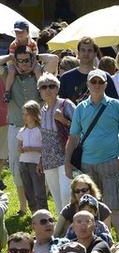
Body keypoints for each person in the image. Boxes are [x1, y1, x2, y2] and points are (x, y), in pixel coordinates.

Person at [65, 68, 119, 239]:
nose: (96, 85)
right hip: (87, 164)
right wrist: (66, 162)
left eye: (100, 82)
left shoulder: (115, 105)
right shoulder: (80, 108)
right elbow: (73, 137)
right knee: (88, 206)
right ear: (88, 84)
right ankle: (96, 239)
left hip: (110, 162)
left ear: (106, 85)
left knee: (114, 205)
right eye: (93, 81)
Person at [0, 45, 57, 215]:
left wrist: (35, 57)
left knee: (44, 165)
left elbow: (54, 60)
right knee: (17, 167)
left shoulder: (40, 73)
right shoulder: (8, 74)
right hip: (16, 127)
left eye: (27, 60)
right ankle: (23, 207)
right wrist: (11, 59)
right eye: (21, 61)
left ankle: (41, 203)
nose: (24, 64)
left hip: (41, 127)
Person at [37, 72, 75, 214]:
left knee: (67, 195)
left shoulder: (66, 105)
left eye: (52, 86)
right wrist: (41, 159)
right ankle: (62, 231)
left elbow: (81, 129)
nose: (48, 89)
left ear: (57, 88)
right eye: (44, 87)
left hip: (66, 158)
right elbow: (44, 139)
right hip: (48, 161)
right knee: (57, 199)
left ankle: (73, 229)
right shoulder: (42, 111)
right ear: (39, 91)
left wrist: (63, 120)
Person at [58, 37, 119, 103]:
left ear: (95, 53)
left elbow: (114, 105)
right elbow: (61, 105)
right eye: (83, 50)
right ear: (78, 53)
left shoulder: (105, 77)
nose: (86, 54)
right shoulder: (65, 78)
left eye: (89, 50)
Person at [17, 100, 47, 211]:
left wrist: (31, 149)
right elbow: (19, 146)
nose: (24, 116)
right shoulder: (22, 130)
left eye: (27, 114)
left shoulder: (40, 130)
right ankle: (34, 214)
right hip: (23, 163)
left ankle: (44, 214)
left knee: (39, 191)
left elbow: (45, 148)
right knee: (28, 191)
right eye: (23, 114)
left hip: (36, 163)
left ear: (34, 114)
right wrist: (21, 149)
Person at [3, 20, 39, 104]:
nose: (19, 34)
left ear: (28, 31)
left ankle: (40, 88)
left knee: (38, 70)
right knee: (11, 71)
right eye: (17, 32)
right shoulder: (13, 44)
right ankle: (7, 92)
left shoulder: (33, 43)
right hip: (15, 63)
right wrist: (18, 69)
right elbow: (12, 59)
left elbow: (35, 57)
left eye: (21, 32)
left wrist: (31, 68)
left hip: (31, 62)